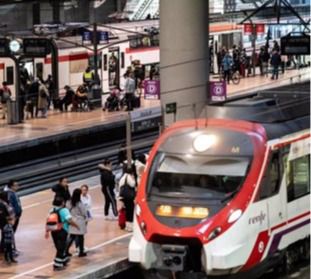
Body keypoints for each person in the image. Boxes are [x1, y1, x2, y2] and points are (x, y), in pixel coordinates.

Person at [45, 196, 79, 271]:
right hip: (62, 231)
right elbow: (69, 220)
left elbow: (48, 221)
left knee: (58, 247)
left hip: (53, 231)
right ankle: (57, 265)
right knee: (61, 248)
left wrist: (47, 232)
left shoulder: (51, 210)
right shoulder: (64, 210)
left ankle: (63, 261)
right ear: (62, 203)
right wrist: (77, 226)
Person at [66, 189, 88, 257]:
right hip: (79, 221)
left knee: (71, 236)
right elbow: (84, 212)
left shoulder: (68, 202)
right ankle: (81, 251)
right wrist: (85, 218)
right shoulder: (79, 203)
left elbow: (67, 210)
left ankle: (65, 251)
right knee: (81, 237)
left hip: (72, 220)